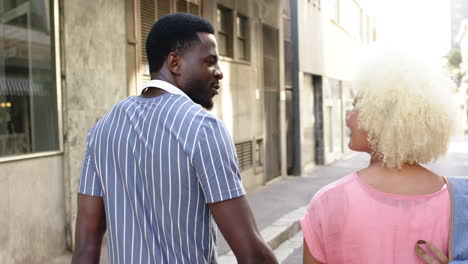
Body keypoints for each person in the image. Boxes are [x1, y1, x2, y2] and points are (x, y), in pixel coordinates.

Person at [72, 13, 277, 264]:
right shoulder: (203, 129)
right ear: (175, 63)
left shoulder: (102, 130)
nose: (219, 72)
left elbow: (84, 247)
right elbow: (252, 254)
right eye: (210, 61)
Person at [301, 47, 457, 264]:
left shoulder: (329, 202)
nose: (348, 117)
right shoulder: (459, 202)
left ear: (383, 118)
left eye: (357, 107)